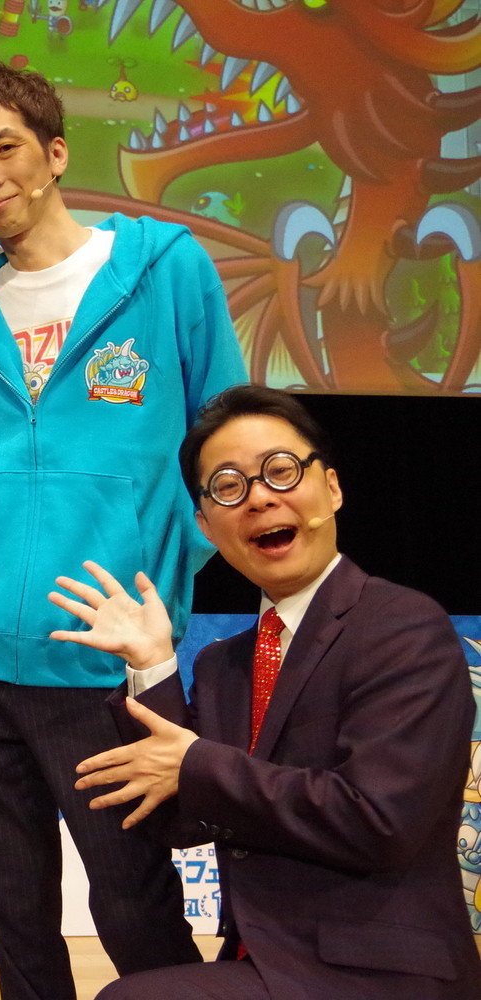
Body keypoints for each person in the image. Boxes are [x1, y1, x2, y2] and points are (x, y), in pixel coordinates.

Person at [0, 62, 248, 999]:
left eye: (4, 148)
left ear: (56, 153)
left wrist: (159, 569)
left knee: (136, 907)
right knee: (12, 914)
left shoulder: (164, 268)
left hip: (102, 658)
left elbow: (225, 436)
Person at [50, 384, 481, 999]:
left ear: (332, 488)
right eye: (228, 486)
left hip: (378, 969)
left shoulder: (404, 627)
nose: (258, 497)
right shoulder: (225, 663)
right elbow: (181, 821)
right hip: (269, 960)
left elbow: (379, 820)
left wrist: (197, 763)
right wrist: (151, 664)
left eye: (280, 471)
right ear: (206, 525)